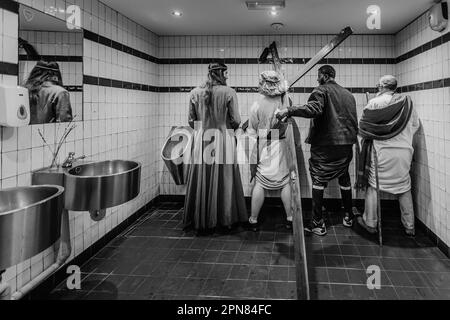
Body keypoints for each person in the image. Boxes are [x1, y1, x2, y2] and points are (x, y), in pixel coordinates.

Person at [276, 65, 358, 236]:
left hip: (325, 145)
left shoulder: (321, 91)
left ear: (325, 76)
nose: (317, 78)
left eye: (318, 75)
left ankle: (317, 223)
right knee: (344, 178)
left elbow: (314, 109)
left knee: (318, 180)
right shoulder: (349, 95)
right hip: (346, 145)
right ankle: (348, 216)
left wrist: (289, 110)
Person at [183, 62, 248, 234]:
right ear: (219, 73)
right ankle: (225, 219)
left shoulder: (195, 92)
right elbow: (236, 120)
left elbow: (191, 120)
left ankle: (201, 219)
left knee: (202, 177)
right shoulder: (229, 92)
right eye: (225, 73)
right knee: (225, 177)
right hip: (223, 138)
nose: (227, 76)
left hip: (202, 139)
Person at [355, 75, 419, 237]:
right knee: (404, 187)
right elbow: (415, 125)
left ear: (382, 86)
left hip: (381, 153)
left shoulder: (374, 103)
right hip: (404, 152)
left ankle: (370, 222)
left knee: (374, 186)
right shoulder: (407, 103)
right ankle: (409, 226)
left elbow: (363, 127)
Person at [245, 70, 293, 232]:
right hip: (280, 144)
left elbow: (252, 130)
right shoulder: (285, 101)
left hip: (263, 145)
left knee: (260, 181)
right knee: (284, 181)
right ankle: (290, 218)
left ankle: (253, 220)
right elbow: (289, 123)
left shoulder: (257, 104)